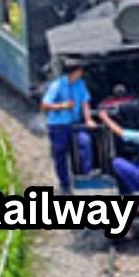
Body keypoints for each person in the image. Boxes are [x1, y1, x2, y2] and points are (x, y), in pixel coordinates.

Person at [40, 62, 95, 193]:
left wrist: (88, 119)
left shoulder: (80, 84)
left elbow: (85, 102)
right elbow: (44, 105)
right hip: (58, 124)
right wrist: (62, 106)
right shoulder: (57, 86)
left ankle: (86, 173)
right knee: (60, 153)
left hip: (75, 122)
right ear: (74, 72)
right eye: (79, 71)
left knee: (85, 141)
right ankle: (64, 184)